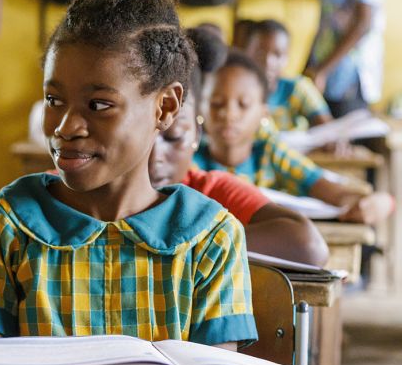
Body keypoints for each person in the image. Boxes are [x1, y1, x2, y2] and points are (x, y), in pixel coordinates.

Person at [0, 0, 257, 350]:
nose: (64, 127)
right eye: (54, 100)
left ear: (166, 107)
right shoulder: (0, 225)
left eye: (99, 105)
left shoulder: (209, 238)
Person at [150, 34, 329, 267]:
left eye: (173, 137)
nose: (154, 157)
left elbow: (309, 247)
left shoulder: (209, 191)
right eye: (142, 137)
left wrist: (182, 244)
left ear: (197, 132)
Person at [194, 49, 393, 225]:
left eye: (243, 104)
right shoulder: (191, 161)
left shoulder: (270, 154)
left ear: (264, 113)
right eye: (216, 104)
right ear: (200, 108)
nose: (228, 114)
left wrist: (376, 203)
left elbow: (331, 191)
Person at [304, 0, 387, 118]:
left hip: (348, 77)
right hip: (324, 66)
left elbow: (363, 23)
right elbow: (328, 18)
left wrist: (323, 70)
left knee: (342, 140)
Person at [245, 19, 333, 132]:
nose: (268, 61)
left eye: (277, 55)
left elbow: (328, 127)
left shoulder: (298, 88)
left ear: (286, 59)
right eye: (260, 52)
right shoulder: (237, 93)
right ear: (246, 52)